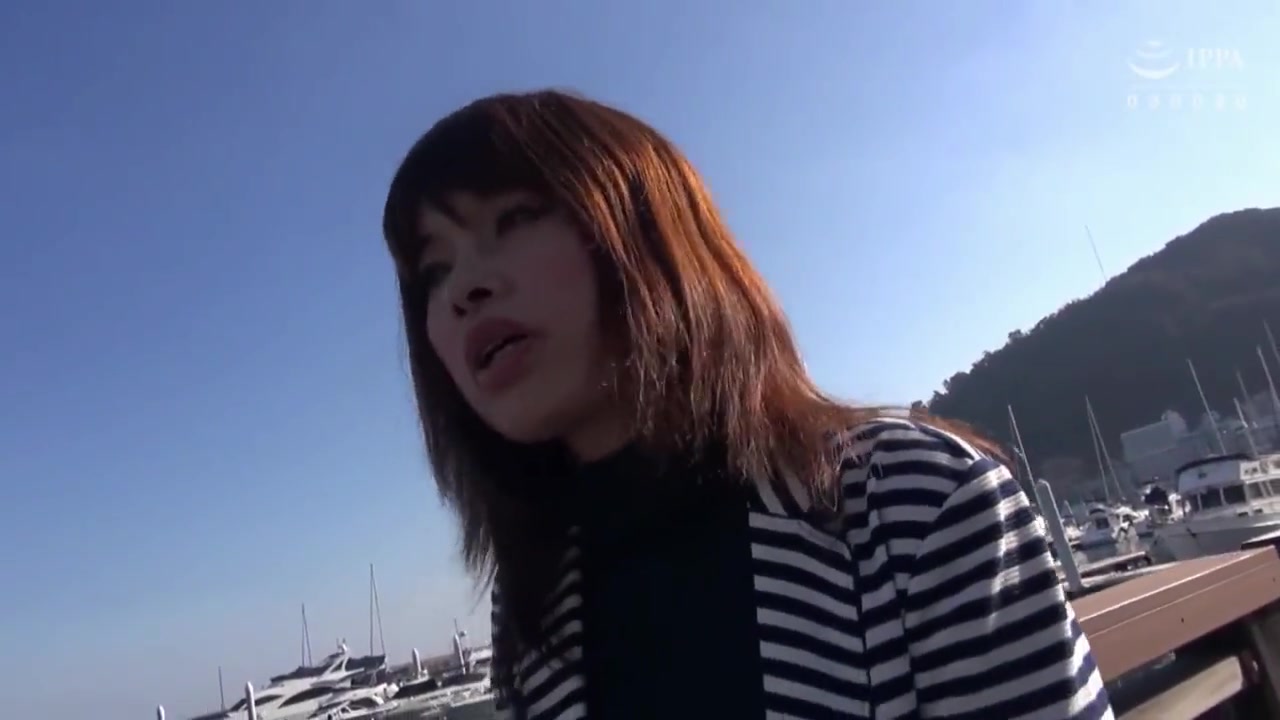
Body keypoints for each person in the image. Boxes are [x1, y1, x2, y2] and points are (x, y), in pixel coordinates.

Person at [380, 90, 1112, 720]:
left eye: (514, 220)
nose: (464, 288)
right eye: (433, 270)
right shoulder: (535, 600)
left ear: (649, 233)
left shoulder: (914, 499)